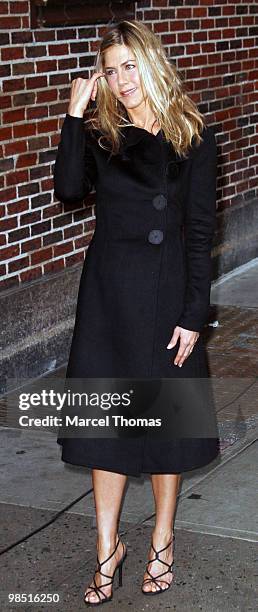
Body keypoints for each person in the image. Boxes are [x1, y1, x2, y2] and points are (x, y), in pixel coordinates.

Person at [53, 19, 219, 606]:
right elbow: (70, 190)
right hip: (109, 297)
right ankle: (106, 551)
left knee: (166, 424)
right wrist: (75, 115)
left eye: (130, 66)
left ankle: (162, 538)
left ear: (151, 63)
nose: (122, 80)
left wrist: (195, 312)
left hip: (169, 291)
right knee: (107, 427)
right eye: (111, 69)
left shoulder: (192, 133)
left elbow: (200, 231)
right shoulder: (102, 133)